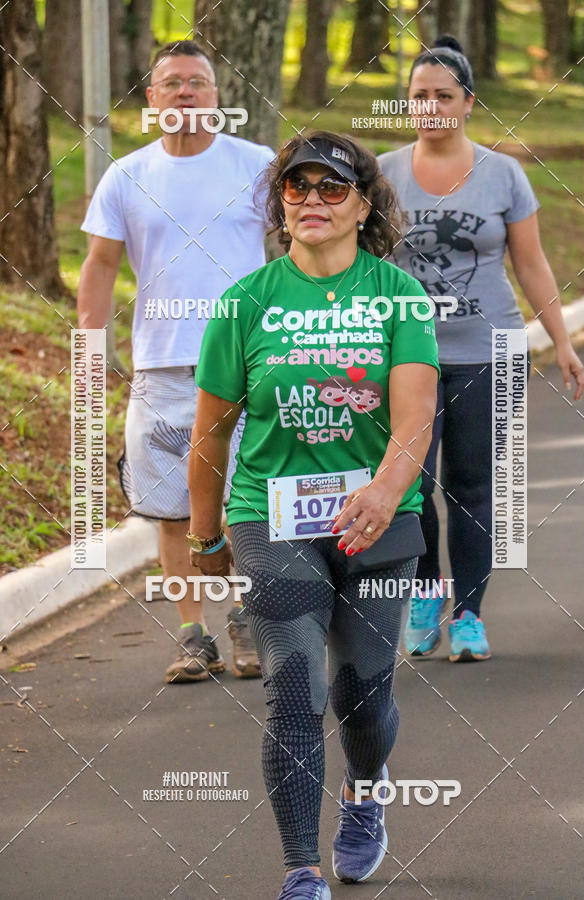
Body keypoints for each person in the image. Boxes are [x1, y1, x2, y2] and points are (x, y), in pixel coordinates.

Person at [188, 132, 439, 898]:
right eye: (297, 188)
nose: (312, 202)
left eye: (332, 189)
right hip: (273, 517)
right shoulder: (247, 302)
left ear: (365, 205)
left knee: (362, 697)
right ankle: (300, 868)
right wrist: (206, 536)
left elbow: (416, 418)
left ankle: (365, 796)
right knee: (293, 689)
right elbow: (210, 433)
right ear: (279, 204)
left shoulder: (398, 296)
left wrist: (386, 489)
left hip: (382, 520)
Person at [379, 36, 584, 662]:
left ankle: (468, 613)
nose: (432, 106)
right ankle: (423, 595)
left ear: (468, 102)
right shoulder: (382, 174)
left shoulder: (503, 174)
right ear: (408, 104)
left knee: (473, 484)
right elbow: (359, 265)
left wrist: (564, 342)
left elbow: (531, 263)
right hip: (405, 356)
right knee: (410, 483)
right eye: (420, 96)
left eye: (445, 95)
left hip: (488, 349)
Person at [77, 40, 274, 683]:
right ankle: (194, 635)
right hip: (161, 366)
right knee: (173, 508)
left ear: (218, 98)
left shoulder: (260, 167)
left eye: (199, 83)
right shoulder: (126, 175)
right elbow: (100, 265)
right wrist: (89, 348)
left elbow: (300, 244)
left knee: (246, 500)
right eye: (173, 84)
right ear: (152, 99)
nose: (186, 93)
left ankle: (245, 620)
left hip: (249, 360)